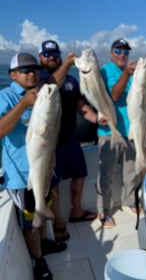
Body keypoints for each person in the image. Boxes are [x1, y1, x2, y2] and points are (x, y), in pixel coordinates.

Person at [0, 52, 67, 280]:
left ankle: (44, 243)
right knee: (29, 223)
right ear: (12, 75)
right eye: (25, 70)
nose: (32, 74)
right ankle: (39, 262)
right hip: (20, 177)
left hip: (43, 168)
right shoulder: (6, 97)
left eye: (35, 70)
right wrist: (23, 104)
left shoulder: (42, 94)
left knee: (42, 211)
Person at [38, 40, 107, 241]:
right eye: (48, 54)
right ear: (41, 57)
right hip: (51, 144)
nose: (52, 58)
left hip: (71, 139)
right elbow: (49, 87)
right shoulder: (40, 78)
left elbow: (81, 106)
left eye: (55, 54)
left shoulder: (72, 81)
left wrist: (98, 120)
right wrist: (67, 64)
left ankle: (76, 211)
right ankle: (58, 221)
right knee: (54, 184)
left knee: (80, 175)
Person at [96, 39, 140, 228]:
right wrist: (128, 74)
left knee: (131, 171)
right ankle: (103, 210)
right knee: (106, 174)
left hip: (132, 130)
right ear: (111, 53)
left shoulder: (134, 73)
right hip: (109, 130)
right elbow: (115, 94)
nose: (122, 54)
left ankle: (129, 201)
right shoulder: (105, 71)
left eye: (125, 51)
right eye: (118, 50)